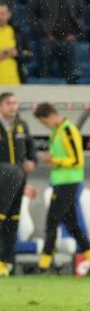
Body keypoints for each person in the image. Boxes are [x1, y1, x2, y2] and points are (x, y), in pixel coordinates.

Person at [33, 103, 90, 272]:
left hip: (68, 182)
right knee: (72, 224)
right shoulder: (57, 130)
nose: (45, 126)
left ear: (49, 116)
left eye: (43, 122)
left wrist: (55, 161)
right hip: (61, 181)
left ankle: (43, 265)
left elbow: (77, 160)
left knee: (52, 222)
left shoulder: (68, 130)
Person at [0, 92, 37, 276]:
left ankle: (6, 263)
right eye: (9, 103)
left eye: (15, 103)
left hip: (18, 181)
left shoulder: (21, 125)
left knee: (12, 221)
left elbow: (31, 151)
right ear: (1, 106)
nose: (13, 106)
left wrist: (32, 161)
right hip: (1, 181)